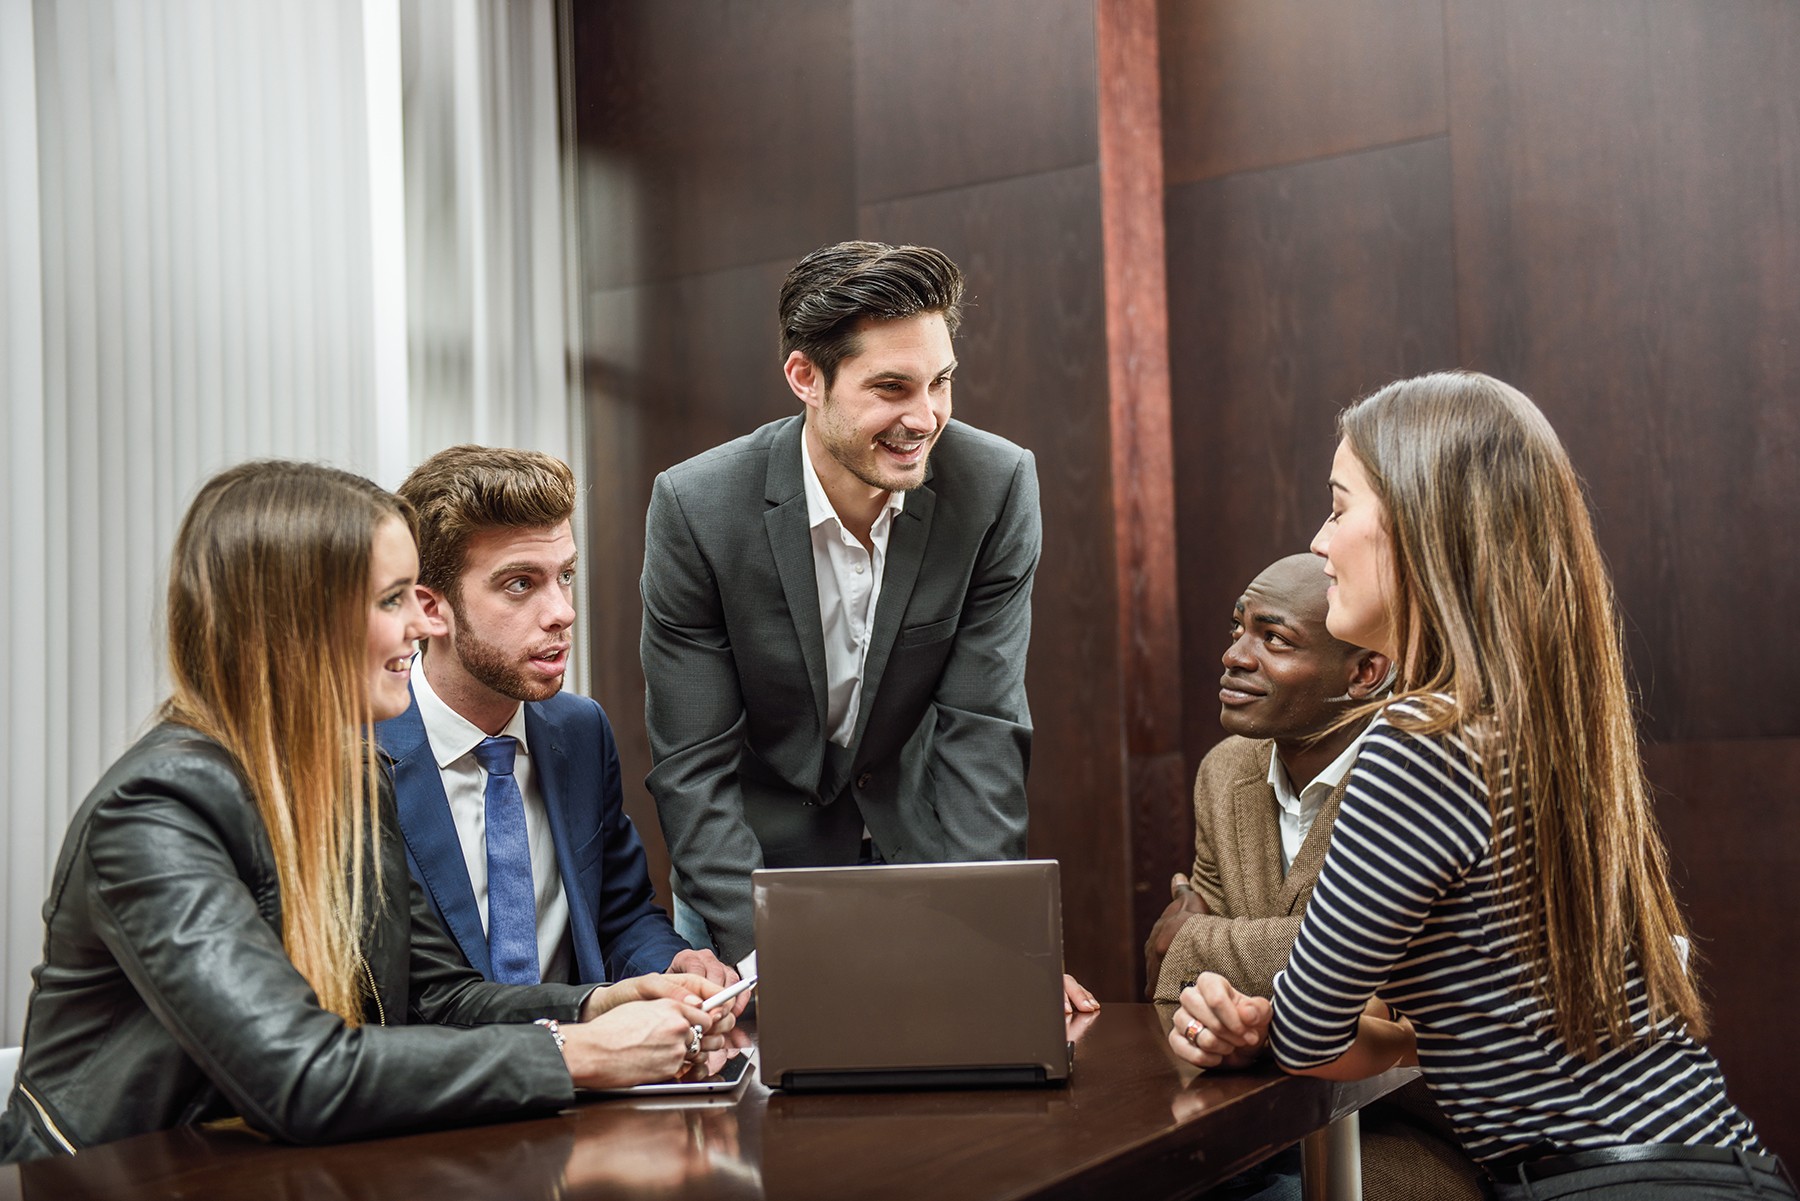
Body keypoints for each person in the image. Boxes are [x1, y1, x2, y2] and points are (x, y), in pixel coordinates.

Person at [1169, 373, 1792, 1199]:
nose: (1320, 543)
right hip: (1718, 1171)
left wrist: (1262, 1019)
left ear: (1419, 530)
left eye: (1338, 506)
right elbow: (1512, 1011)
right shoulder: (1544, 723)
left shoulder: (1419, 739)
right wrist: (1392, 1039)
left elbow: (1311, 1031)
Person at [0, 461, 731, 1164]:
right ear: (296, 623)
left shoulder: (349, 774)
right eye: (392, 599)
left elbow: (438, 996)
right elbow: (300, 1070)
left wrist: (598, 1005)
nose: (421, 623)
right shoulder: (156, 809)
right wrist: (579, 1052)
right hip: (121, 1177)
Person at [639, 239, 1095, 1012]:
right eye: (891, 387)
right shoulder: (697, 508)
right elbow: (692, 764)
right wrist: (767, 958)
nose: (925, 418)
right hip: (748, 877)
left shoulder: (995, 486)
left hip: (925, 866)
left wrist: (991, 941)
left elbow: (981, 731)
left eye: (941, 381)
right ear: (805, 378)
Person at [1145, 553, 1481, 1201]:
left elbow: (1395, 980)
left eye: (1273, 638)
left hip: (1409, 1124)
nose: (1236, 655)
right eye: (1238, 629)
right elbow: (1166, 981)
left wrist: (1197, 940)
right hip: (1254, 1110)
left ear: (1363, 673)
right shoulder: (1225, 770)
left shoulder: (1421, 770)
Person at [376, 446, 732, 991]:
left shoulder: (580, 730)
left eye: (564, 576)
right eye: (520, 583)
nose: (562, 612)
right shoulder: (357, 757)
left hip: (593, 1070)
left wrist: (671, 964)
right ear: (431, 610)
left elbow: (620, 917)